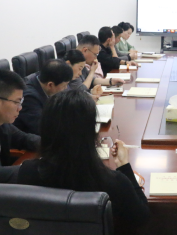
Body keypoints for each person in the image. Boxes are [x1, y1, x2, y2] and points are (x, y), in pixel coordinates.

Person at [18, 90, 150, 226]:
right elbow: (141, 217)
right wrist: (124, 165)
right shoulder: (114, 182)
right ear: (90, 132)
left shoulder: (28, 173)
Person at [14, 59, 73, 135]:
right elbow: (43, 129)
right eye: (65, 85)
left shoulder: (44, 78)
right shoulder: (29, 98)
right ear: (50, 85)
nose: (66, 88)